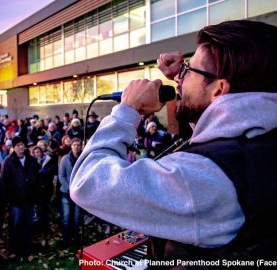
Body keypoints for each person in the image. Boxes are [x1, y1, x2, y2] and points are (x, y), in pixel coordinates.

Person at [70, 20, 277, 262]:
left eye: (190, 70)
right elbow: (218, 136)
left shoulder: (204, 177)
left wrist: (127, 110)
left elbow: (86, 181)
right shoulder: (261, 140)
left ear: (219, 90)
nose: (179, 80)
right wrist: (188, 80)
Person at [0, 136, 40, 258]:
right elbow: (4, 182)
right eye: (18, 145)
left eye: (22, 144)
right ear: (13, 147)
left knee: (28, 225)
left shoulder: (31, 160)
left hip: (29, 199)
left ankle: (26, 248)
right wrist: (8, 199)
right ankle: (13, 250)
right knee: (15, 225)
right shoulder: (8, 161)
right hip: (15, 201)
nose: (21, 147)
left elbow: (37, 178)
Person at [59, 138, 82, 248]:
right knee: (66, 217)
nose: (76, 147)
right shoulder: (65, 159)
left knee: (76, 217)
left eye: (78, 145)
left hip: (78, 193)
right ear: (71, 146)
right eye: (74, 144)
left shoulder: (82, 159)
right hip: (66, 192)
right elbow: (61, 176)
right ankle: (65, 239)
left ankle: (75, 238)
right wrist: (69, 188)